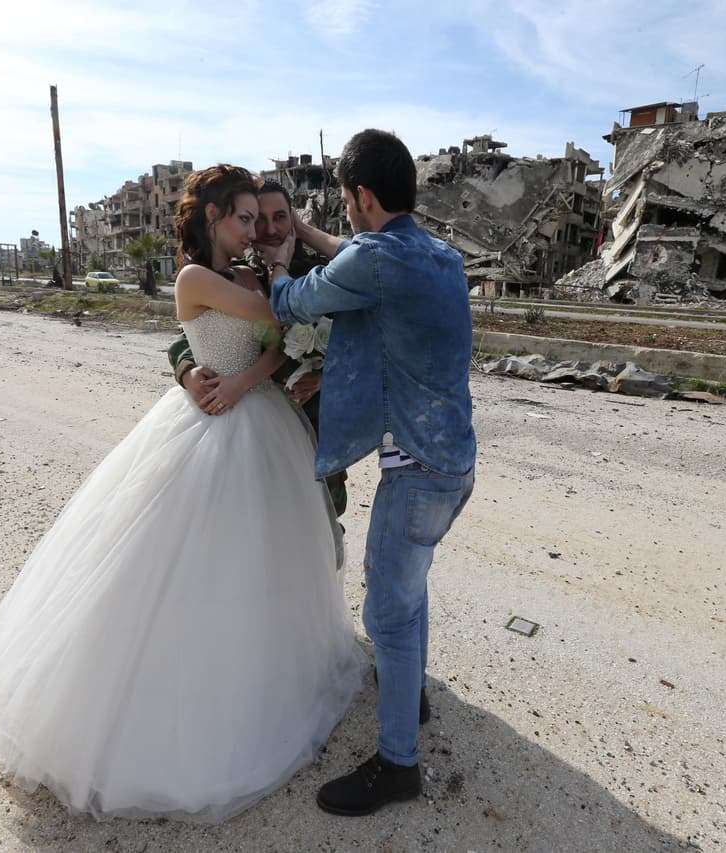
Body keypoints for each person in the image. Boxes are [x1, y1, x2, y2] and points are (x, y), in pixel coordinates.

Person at [0, 164, 363, 822]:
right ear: (213, 218)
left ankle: (261, 677)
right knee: (187, 564)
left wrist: (247, 377)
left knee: (264, 562)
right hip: (206, 430)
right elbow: (277, 315)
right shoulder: (195, 278)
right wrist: (277, 278)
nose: (251, 228)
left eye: (257, 217)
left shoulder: (249, 274)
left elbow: (277, 341)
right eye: (242, 216)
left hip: (260, 415)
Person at [262, 129, 476, 817]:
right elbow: (356, 255)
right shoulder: (438, 254)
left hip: (415, 471)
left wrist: (274, 263)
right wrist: (306, 229)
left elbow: (296, 301)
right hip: (453, 462)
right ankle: (408, 693)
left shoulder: (377, 261)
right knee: (410, 590)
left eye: (346, 202)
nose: (344, 214)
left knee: (386, 608)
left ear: (360, 196)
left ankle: (397, 764)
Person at [166, 180, 348, 515]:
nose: (266, 229)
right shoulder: (236, 273)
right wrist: (187, 371)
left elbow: (363, 341)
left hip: (313, 427)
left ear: (293, 219)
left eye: (280, 217)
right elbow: (187, 336)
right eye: (253, 219)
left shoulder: (322, 277)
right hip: (240, 420)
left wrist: (324, 375)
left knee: (318, 521)